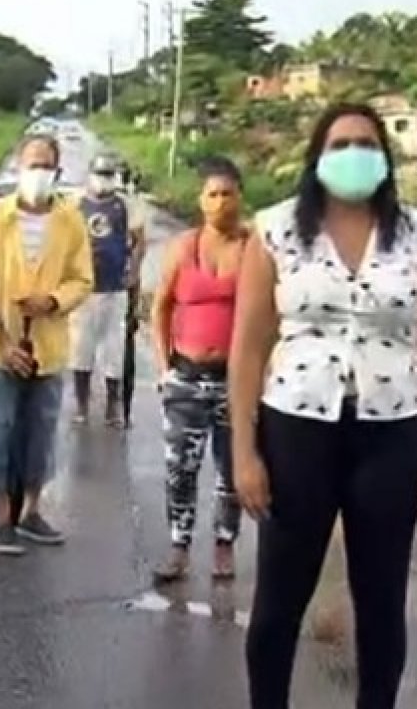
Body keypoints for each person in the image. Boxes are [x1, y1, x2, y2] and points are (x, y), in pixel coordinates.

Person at [230, 103, 417, 709]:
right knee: (280, 597)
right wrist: (244, 452)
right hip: (297, 429)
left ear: (385, 157)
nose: (353, 154)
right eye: (339, 144)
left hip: (393, 432)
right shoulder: (276, 229)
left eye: (366, 142)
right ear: (317, 157)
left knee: (382, 599)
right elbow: (248, 348)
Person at [0, 134, 92, 555]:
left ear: (56, 171)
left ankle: (32, 512)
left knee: (41, 430)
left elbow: (82, 279)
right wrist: (1, 342)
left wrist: (54, 300)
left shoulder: (70, 220)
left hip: (49, 348)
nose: (38, 173)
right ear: (19, 167)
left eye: (46, 165)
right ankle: (2, 517)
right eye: (32, 164)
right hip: (1, 349)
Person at [149, 155, 247, 584]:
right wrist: (162, 364)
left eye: (228, 193)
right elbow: (160, 307)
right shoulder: (183, 247)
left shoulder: (253, 249)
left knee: (232, 470)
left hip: (235, 379)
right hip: (187, 376)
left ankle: (224, 545)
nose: (221, 201)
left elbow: (269, 315)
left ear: (240, 199)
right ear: (201, 201)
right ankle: (178, 546)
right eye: (213, 194)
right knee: (180, 468)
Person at [69, 152, 147, 428]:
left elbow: (139, 240)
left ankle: (113, 406)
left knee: (114, 350)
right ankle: (81, 404)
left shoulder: (125, 205)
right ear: (89, 175)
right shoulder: (75, 204)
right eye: (99, 174)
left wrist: (134, 272)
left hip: (115, 289)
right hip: (83, 290)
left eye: (107, 175)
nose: (103, 180)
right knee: (80, 349)